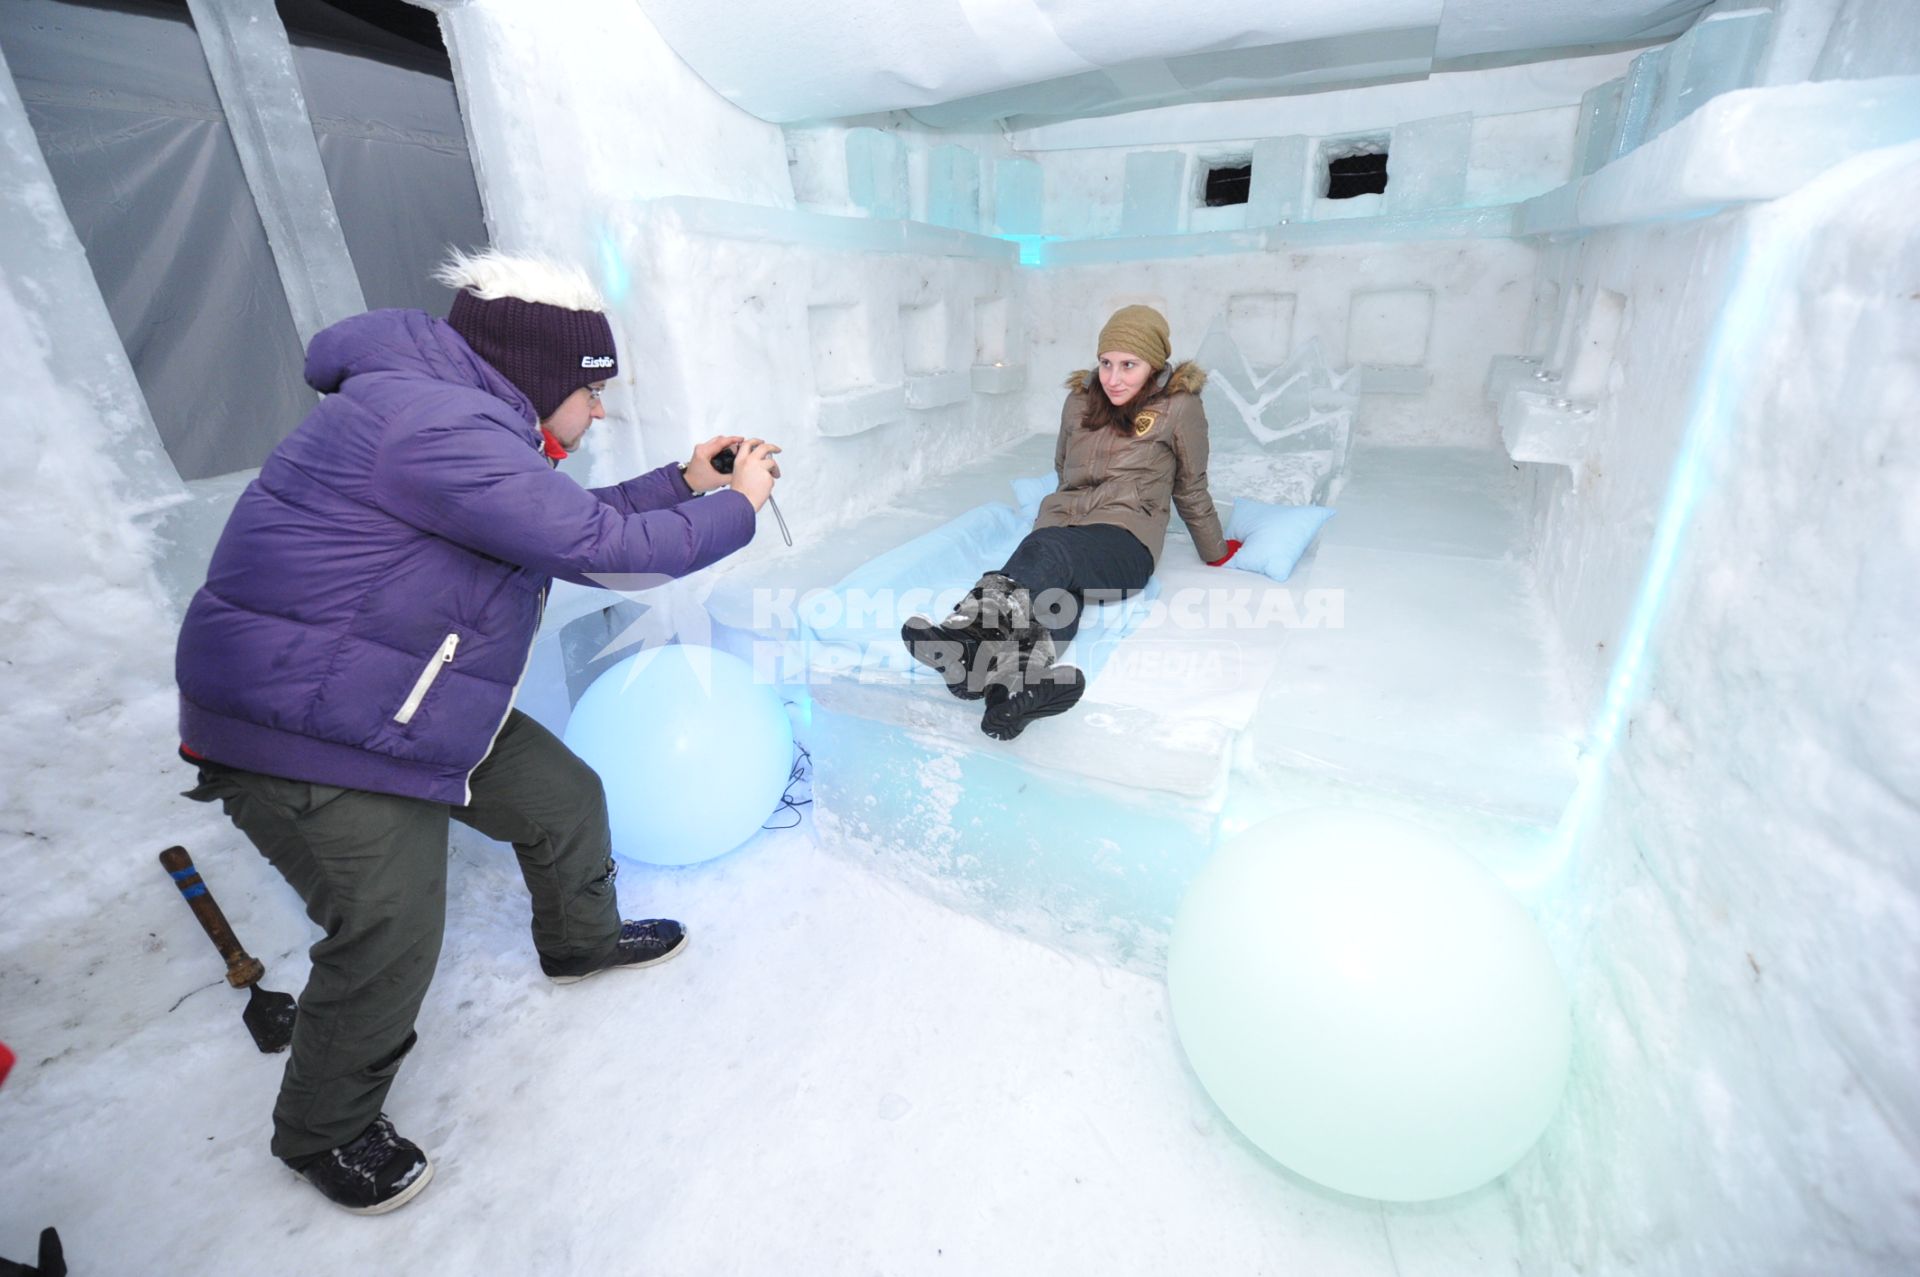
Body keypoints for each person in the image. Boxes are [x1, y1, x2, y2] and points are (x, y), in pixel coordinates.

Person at [174, 248, 780, 1216]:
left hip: (396, 693)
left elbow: (562, 517)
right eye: (593, 394)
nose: (599, 414)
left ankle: (580, 939)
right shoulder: (433, 424)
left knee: (565, 797)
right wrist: (737, 506)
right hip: (299, 724)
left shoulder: (457, 418)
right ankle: (325, 1128)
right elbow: (596, 547)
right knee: (392, 924)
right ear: (543, 379)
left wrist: (680, 481)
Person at [901, 304, 1240, 740]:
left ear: (1155, 365)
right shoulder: (1079, 401)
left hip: (1125, 543)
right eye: (1106, 363)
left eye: (1129, 366)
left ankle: (968, 638)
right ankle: (1008, 694)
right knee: (1054, 597)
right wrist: (1063, 517)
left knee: (1045, 550)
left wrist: (1216, 551)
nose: (1113, 378)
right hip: (1065, 531)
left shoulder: (1179, 407)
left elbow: (1191, 486)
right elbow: (1065, 471)